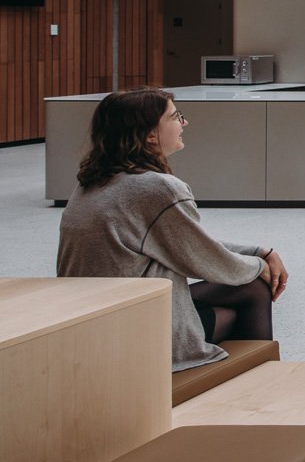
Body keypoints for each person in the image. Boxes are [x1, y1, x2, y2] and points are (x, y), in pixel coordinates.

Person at [56, 88, 289, 371]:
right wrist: (259, 265)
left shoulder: (92, 182)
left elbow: (184, 242)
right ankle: (257, 385)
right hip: (137, 332)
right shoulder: (156, 188)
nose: (184, 123)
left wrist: (259, 252)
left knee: (248, 281)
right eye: (176, 117)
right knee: (254, 288)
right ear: (151, 135)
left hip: (96, 321)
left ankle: (251, 382)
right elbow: (203, 259)